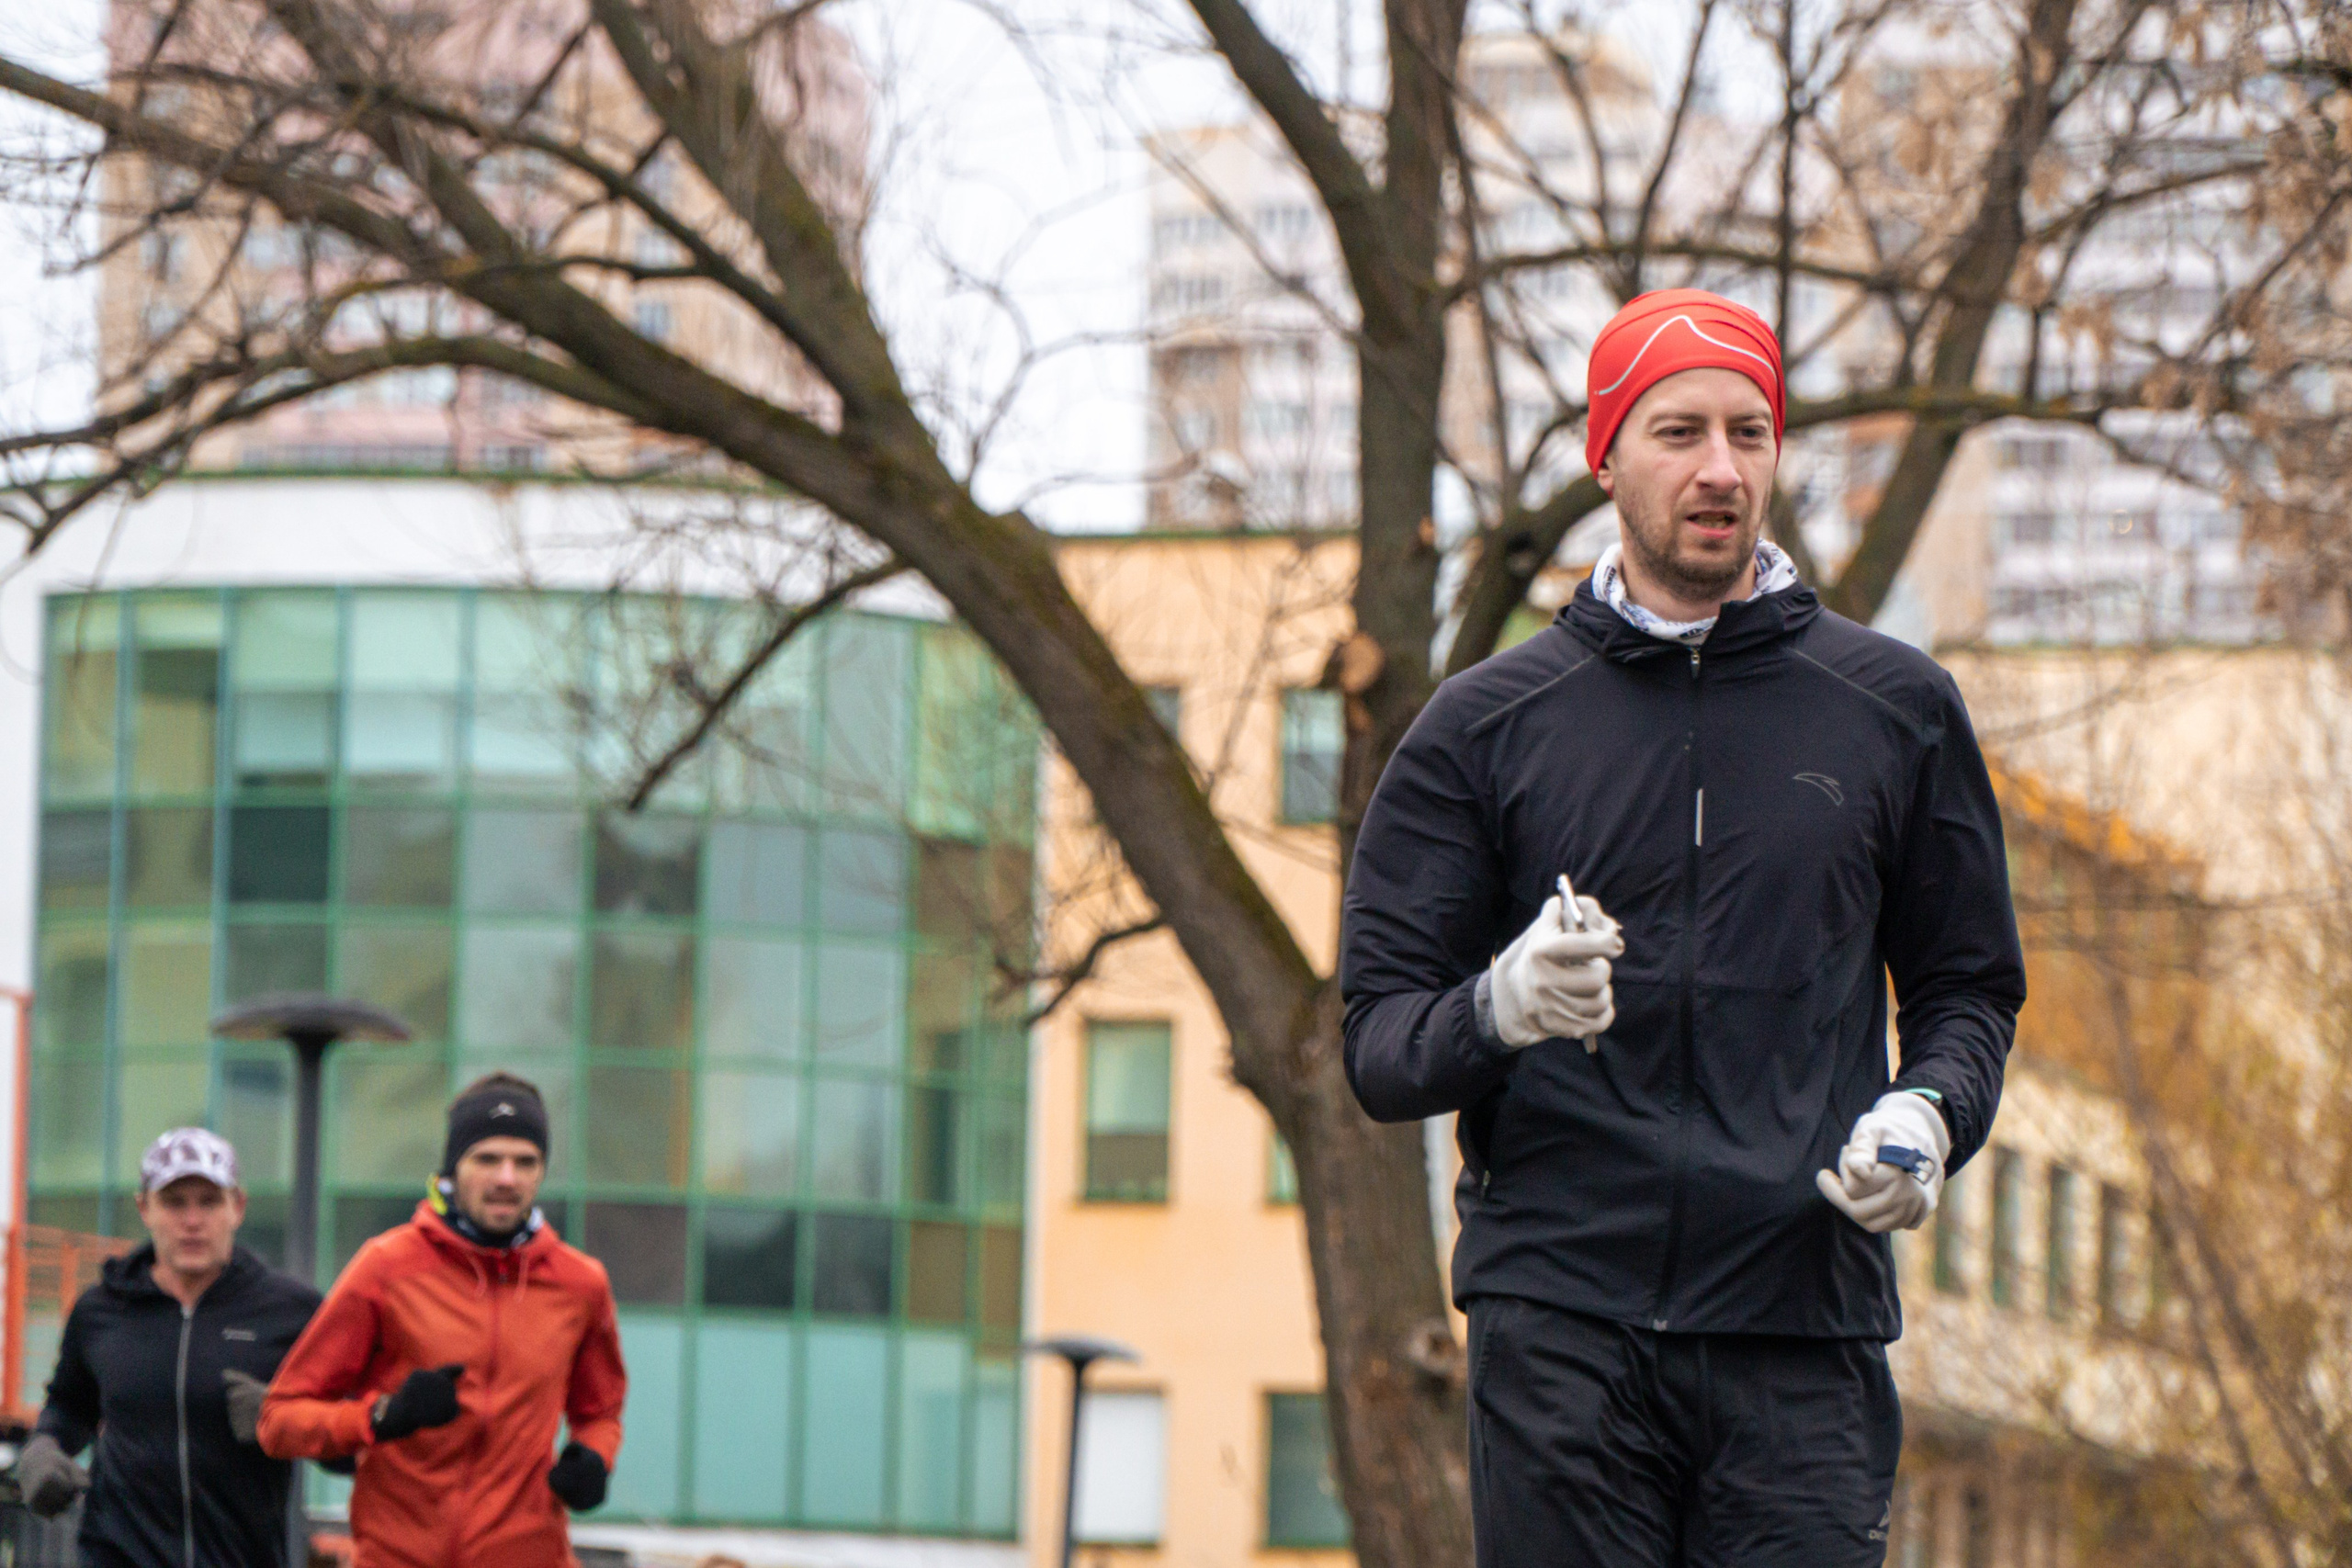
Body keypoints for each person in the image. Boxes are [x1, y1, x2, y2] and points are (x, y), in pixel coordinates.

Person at [1341, 288, 2026, 1566]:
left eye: (1750, 431)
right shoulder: (1485, 726)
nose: (1721, 468)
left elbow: (1971, 988)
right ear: (1607, 452)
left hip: (1803, 1334)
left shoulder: (1895, 709)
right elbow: (1377, 1043)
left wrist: (1929, 1112)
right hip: (1561, 1335)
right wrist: (1496, 1007)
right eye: (1679, 430)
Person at [257, 1072, 626, 1568]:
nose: (506, 1178)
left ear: (541, 1173)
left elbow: (600, 1413)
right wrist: (382, 1416)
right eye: (487, 1158)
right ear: (452, 1169)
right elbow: (280, 1420)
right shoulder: (386, 1266)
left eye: (525, 1161)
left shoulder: (580, 1283)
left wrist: (594, 1459)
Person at [12, 1128, 322, 1567]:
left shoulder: (291, 1312)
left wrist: (288, 1418)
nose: (192, 1221)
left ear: (238, 1207)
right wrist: (43, 1448)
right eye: (174, 1202)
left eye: (209, 1202)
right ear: (144, 1208)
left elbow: (347, 1444)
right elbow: (68, 1406)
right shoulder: (100, 1309)